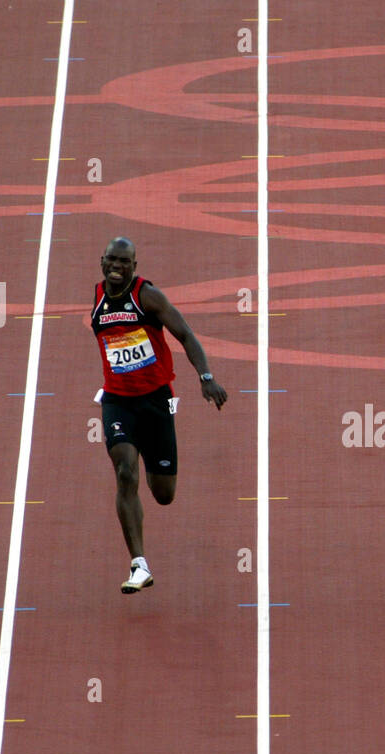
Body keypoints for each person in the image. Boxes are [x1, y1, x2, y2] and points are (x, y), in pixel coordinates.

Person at [92, 236, 227, 593]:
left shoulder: (147, 297)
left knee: (163, 493)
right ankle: (139, 564)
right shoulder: (97, 299)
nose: (116, 267)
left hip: (156, 402)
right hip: (117, 402)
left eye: (124, 262)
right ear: (102, 262)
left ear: (135, 266)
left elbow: (185, 334)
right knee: (124, 472)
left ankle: (155, 468)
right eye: (111, 260)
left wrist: (206, 376)